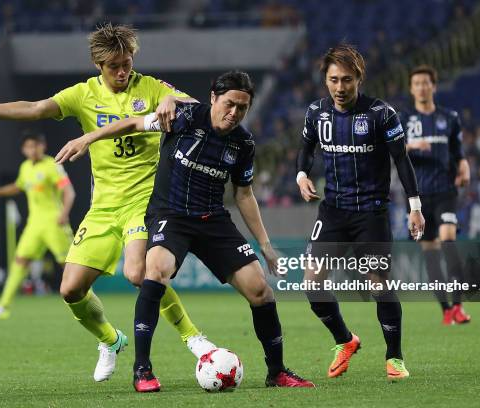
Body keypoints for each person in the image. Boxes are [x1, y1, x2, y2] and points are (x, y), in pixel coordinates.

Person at [0, 23, 214, 383]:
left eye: (127, 63)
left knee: (139, 273)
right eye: (114, 66)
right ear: (98, 65)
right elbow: (35, 108)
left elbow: (201, 109)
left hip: (145, 200)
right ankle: (110, 340)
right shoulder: (83, 94)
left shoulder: (150, 87)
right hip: (104, 206)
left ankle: (194, 338)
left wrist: (172, 99)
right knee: (70, 289)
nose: (123, 72)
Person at [56, 70, 315, 392]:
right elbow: (134, 124)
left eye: (242, 108)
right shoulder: (184, 117)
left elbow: (244, 193)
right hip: (171, 215)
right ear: (213, 99)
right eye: (229, 104)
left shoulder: (243, 143)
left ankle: (276, 372)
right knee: (155, 271)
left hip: (213, 220)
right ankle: (142, 370)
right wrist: (89, 137)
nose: (234, 113)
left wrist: (265, 244)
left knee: (260, 290)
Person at [295, 44, 425, 381]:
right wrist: (301, 174)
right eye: (334, 80)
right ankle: (345, 340)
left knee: (378, 285)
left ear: (359, 79)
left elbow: (402, 160)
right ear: (325, 80)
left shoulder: (381, 114)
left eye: (347, 81)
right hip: (333, 211)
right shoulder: (316, 113)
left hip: (371, 212)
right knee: (311, 283)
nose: (340, 88)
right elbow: (306, 147)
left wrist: (415, 207)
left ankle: (394, 357)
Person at [0, 131, 75, 319]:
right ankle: (3, 306)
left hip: (54, 222)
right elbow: (18, 186)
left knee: (69, 265)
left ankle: (86, 303)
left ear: (43, 146)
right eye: (29, 146)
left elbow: (69, 192)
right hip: (34, 224)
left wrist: (64, 214)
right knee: (21, 260)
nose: (33, 149)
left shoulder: (52, 166)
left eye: (36, 145)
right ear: (23, 149)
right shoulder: (25, 168)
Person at [402, 64, 471, 325]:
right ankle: (445, 310)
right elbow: (392, 151)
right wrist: (411, 145)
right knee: (430, 252)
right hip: (418, 198)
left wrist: (464, 167)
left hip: (445, 191)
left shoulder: (449, 117)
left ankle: (458, 306)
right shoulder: (403, 119)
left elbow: (459, 152)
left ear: (433, 86)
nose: (421, 87)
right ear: (411, 88)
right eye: (416, 83)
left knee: (448, 239)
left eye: (425, 82)